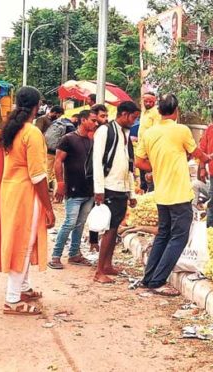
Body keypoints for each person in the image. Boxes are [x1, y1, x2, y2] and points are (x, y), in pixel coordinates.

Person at [0, 86, 56, 315]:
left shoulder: (11, 129)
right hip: (26, 195)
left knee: (24, 241)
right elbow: (38, 175)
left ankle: (23, 287)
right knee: (24, 244)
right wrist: (49, 208)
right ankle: (12, 299)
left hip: (11, 192)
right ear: (37, 106)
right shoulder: (32, 133)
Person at [135, 94, 209, 295]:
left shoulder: (149, 133)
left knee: (163, 235)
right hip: (179, 194)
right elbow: (197, 154)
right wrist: (207, 158)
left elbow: (139, 162)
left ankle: (149, 278)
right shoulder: (181, 130)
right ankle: (158, 280)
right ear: (176, 111)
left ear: (159, 111)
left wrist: (157, 166)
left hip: (161, 195)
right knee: (179, 237)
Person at [93, 101, 141, 283]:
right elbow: (97, 161)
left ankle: (107, 265)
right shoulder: (105, 131)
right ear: (124, 114)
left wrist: (132, 193)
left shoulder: (125, 135)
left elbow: (129, 165)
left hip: (121, 188)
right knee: (109, 229)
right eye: (133, 118)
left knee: (115, 229)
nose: (134, 121)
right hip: (108, 187)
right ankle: (99, 271)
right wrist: (98, 189)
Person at [48, 110, 98, 269]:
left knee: (80, 223)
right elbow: (58, 161)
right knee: (69, 223)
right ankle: (55, 256)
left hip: (88, 190)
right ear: (83, 120)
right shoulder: (68, 139)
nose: (95, 124)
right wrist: (61, 183)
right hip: (74, 189)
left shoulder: (92, 141)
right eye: (93, 120)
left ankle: (74, 254)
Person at [88, 103, 109, 253]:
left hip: (99, 175)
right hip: (88, 174)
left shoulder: (105, 131)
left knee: (97, 206)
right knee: (91, 207)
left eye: (106, 116)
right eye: (102, 116)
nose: (105, 119)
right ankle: (93, 240)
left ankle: (95, 240)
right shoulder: (90, 132)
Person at [137, 92, 161, 193]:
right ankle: (143, 192)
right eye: (145, 101)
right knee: (142, 173)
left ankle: (151, 194)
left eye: (150, 101)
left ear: (154, 101)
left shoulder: (156, 113)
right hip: (141, 146)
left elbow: (155, 131)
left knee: (149, 174)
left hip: (150, 148)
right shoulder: (144, 112)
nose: (147, 103)